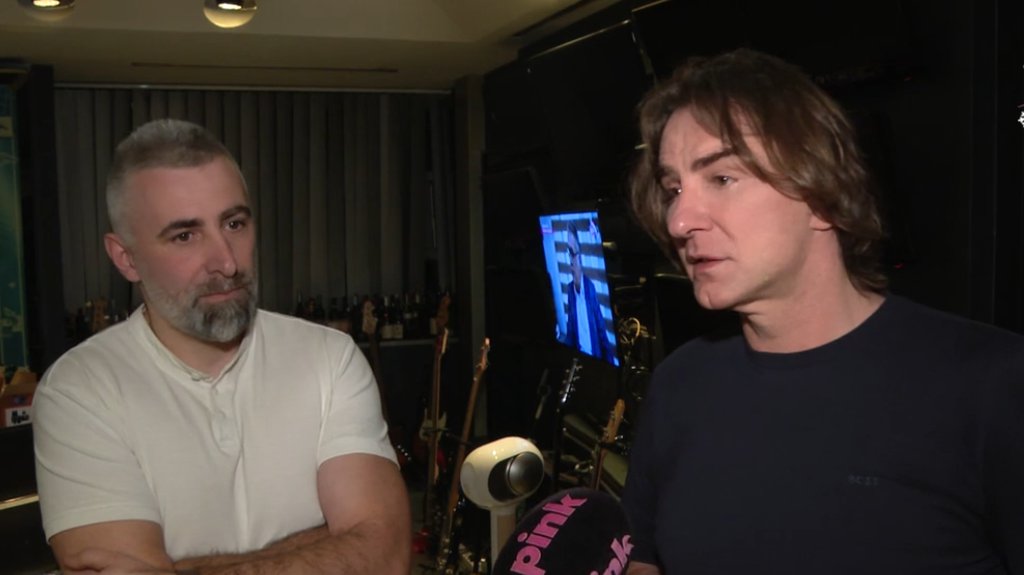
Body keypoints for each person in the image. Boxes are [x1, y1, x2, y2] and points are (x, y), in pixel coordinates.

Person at [622, 48, 1024, 574]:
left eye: (721, 178)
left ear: (821, 196)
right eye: (673, 188)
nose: (679, 220)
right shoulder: (679, 383)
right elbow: (643, 559)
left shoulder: (994, 385)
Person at [33, 119, 411, 574]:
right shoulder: (79, 391)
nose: (227, 262)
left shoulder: (329, 359)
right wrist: (327, 539)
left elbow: (385, 555)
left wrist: (177, 567)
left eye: (234, 223)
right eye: (185, 235)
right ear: (126, 258)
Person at [562, 220, 617, 363]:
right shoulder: (570, 290)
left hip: (594, 359)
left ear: (580, 257)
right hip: (578, 359)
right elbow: (570, 332)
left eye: (572, 252)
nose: (570, 260)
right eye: (568, 252)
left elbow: (601, 333)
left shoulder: (591, 288)